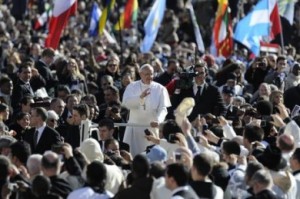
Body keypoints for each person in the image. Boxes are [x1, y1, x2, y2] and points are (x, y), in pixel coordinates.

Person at [122, 64, 171, 156]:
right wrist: (140, 97)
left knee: (151, 157)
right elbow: (126, 104)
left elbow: (163, 108)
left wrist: (158, 120)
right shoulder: (132, 87)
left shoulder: (160, 89)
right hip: (134, 129)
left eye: (151, 74)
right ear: (140, 74)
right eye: (146, 74)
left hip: (151, 129)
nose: (149, 77)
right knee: (133, 156)